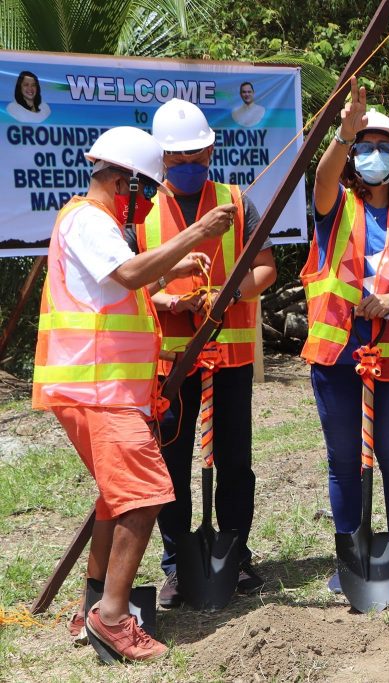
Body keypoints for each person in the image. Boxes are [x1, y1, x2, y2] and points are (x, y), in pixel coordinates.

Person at [33, 126, 233, 661]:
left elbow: (114, 289)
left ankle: (93, 605)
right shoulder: (90, 221)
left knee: (115, 499)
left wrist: (167, 284)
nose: (142, 205)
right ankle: (113, 618)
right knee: (145, 495)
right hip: (98, 389)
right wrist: (194, 237)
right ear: (124, 183)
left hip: (101, 387)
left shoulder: (85, 221)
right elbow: (124, 273)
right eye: (143, 192)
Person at [131, 98, 277, 608]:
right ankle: (177, 564)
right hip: (171, 366)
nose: (188, 166)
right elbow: (128, 284)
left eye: (196, 156)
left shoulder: (238, 202)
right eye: (177, 159)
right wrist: (166, 298)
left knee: (235, 460)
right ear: (161, 158)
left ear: (212, 148)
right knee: (171, 463)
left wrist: (229, 294)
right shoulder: (141, 211)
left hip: (231, 362)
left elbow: (265, 269)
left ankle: (234, 556)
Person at [302, 78, 389, 593]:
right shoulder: (336, 206)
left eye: (384, 148)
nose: (373, 156)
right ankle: (351, 557)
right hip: (338, 354)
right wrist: (343, 133)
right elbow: (322, 178)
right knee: (343, 459)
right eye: (366, 147)